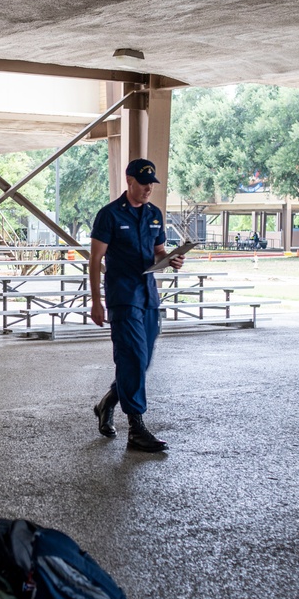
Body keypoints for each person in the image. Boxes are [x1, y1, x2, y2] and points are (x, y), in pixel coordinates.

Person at [90, 158, 184, 453]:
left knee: (141, 362)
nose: (148, 189)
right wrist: (96, 301)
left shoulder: (155, 214)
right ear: (129, 181)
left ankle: (107, 402)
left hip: (149, 298)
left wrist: (171, 259)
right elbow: (95, 260)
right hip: (123, 297)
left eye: (151, 184)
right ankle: (136, 428)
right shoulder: (109, 215)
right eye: (143, 183)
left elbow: (158, 252)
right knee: (132, 358)